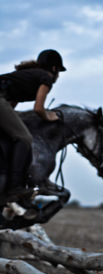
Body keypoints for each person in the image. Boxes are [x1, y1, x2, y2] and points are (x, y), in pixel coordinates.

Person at [0, 49, 66, 198]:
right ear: (54, 69)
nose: (58, 76)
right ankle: (15, 187)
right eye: (59, 71)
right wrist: (50, 116)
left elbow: (10, 106)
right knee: (24, 138)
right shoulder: (46, 78)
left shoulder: (26, 76)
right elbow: (38, 109)